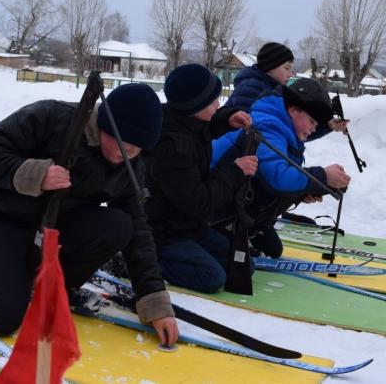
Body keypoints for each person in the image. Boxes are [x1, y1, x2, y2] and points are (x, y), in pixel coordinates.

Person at [0, 83, 179, 346]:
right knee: (0, 316)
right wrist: (36, 174)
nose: (127, 153)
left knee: (119, 225)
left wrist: (155, 302)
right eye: (123, 143)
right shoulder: (53, 118)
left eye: (137, 149)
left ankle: (52, 286)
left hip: (53, 225)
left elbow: (138, 229)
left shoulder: (130, 164)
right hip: (0, 215)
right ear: (103, 124)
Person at [143, 64, 257, 293]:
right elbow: (200, 202)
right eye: (212, 101)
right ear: (194, 105)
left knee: (243, 265)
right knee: (211, 278)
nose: (218, 104)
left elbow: (206, 127)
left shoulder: (185, 120)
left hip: (190, 227)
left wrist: (227, 118)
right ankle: (140, 261)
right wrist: (235, 171)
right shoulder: (171, 146)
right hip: (163, 232)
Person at [211, 78, 351, 258]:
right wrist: (322, 176)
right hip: (213, 203)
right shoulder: (268, 126)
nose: (313, 130)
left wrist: (303, 191)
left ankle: (244, 229)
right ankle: (223, 230)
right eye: (312, 122)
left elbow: (272, 173)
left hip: (234, 193)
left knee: (273, 249)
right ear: (293, 111)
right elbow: (277, 177)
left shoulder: (281, 126)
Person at [226, 41, 348, 140]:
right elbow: (251, 136)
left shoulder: (272, 92)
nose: (290, 74)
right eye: (286, 68)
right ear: (270, 67)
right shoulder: (251, 90)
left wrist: (327, 126)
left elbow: (288, 133)